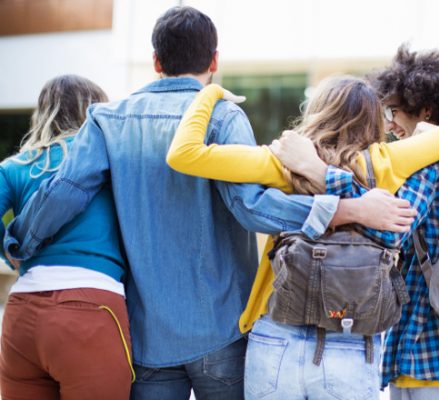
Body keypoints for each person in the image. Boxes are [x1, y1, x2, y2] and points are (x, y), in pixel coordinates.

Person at [3, 7, 413, 400]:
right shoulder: (223, 115)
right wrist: (338, 210)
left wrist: (21, 240)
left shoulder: (108, 119)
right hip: (223, 330)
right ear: (214, 60)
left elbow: (67, 190)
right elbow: (250, 208)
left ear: (155, 60)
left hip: (149, 336)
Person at [167, 75, 439, 399]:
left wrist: (209, 93)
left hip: (278, 334)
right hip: (352, 335)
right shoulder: (388, 161)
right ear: (372, 121)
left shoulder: (281, 162)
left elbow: (183, 154)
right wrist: (425, 134)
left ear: (318, 112)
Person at [246, 45, 439, 399]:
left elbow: (386, 227)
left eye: (393, 112)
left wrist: (321, 173)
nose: (389, 125)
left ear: (425, 110)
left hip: (432, 356)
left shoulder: (427, 167)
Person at [0, 75, 133, 400]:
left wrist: (9, 252)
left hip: (21, 315)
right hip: (93, 312)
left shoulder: (15, 167)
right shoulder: (114, 161)